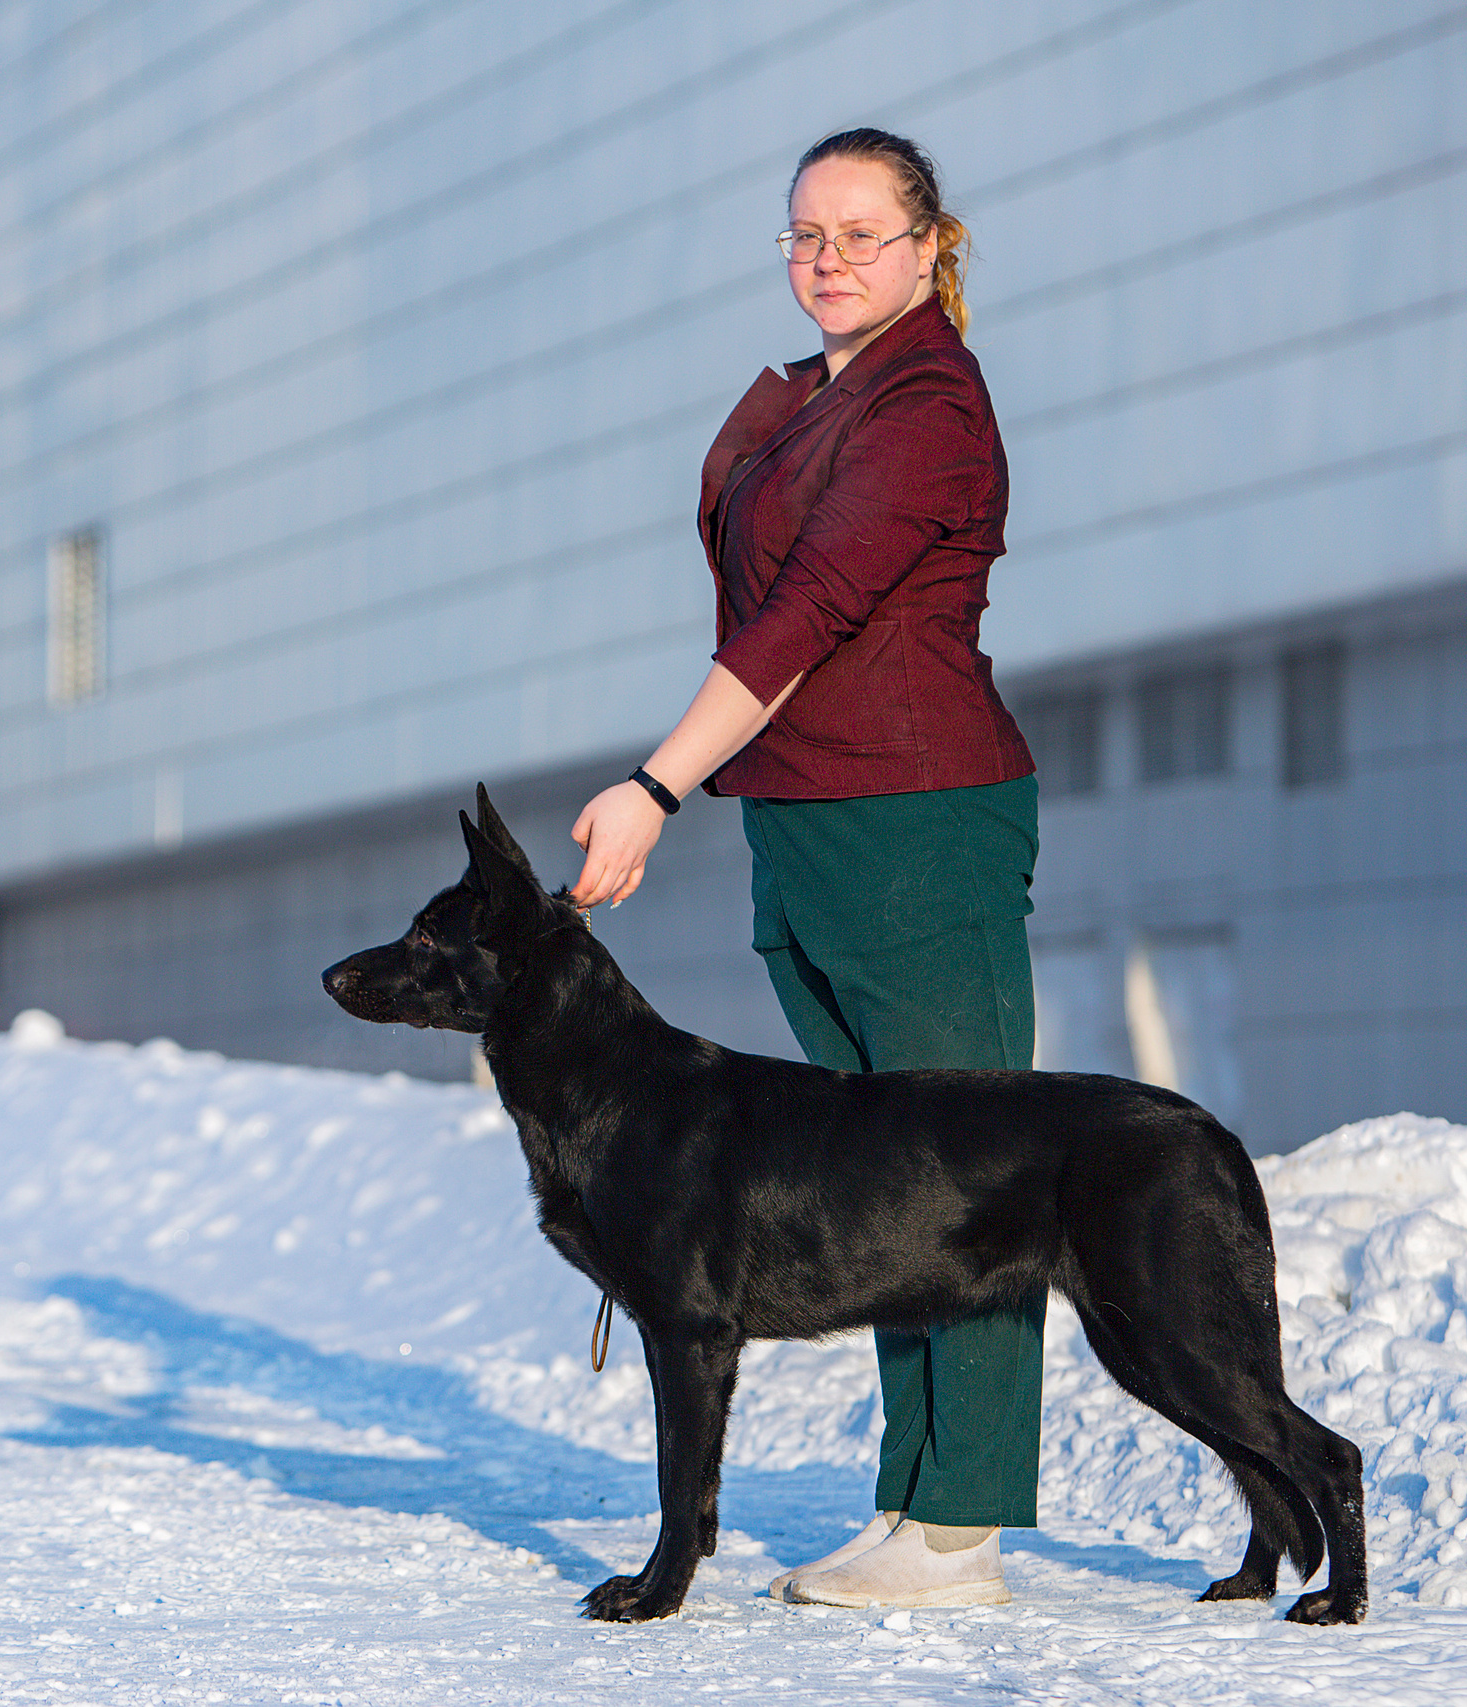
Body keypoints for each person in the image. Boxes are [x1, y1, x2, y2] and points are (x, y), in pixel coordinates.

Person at [566, 128, 1042, 1609]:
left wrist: (658, 784)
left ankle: (962, 1526)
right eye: (802, 235)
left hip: (916, 818)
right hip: (809, 817)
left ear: (926, 246)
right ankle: (912, 1502)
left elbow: (807, 616)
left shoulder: (927, 407)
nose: (826, 258)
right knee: (885, 1184)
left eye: (858, 232)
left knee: (968, 1171)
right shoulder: (809, 398)